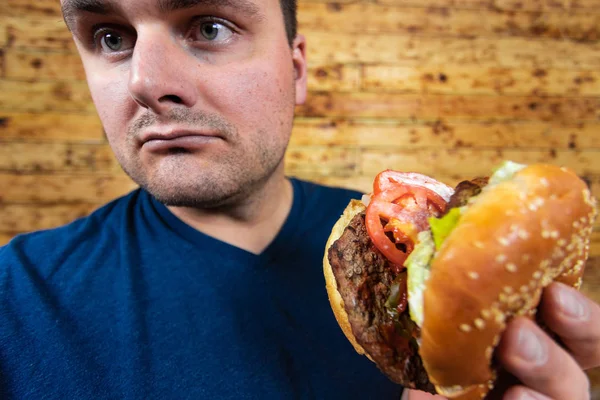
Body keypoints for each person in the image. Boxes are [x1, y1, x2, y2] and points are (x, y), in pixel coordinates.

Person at [0, 0, 598, 398]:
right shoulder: (16, 294)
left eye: (209, 26)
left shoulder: (396, 240)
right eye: (110, 37)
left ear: (297, 68)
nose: (148, 82)